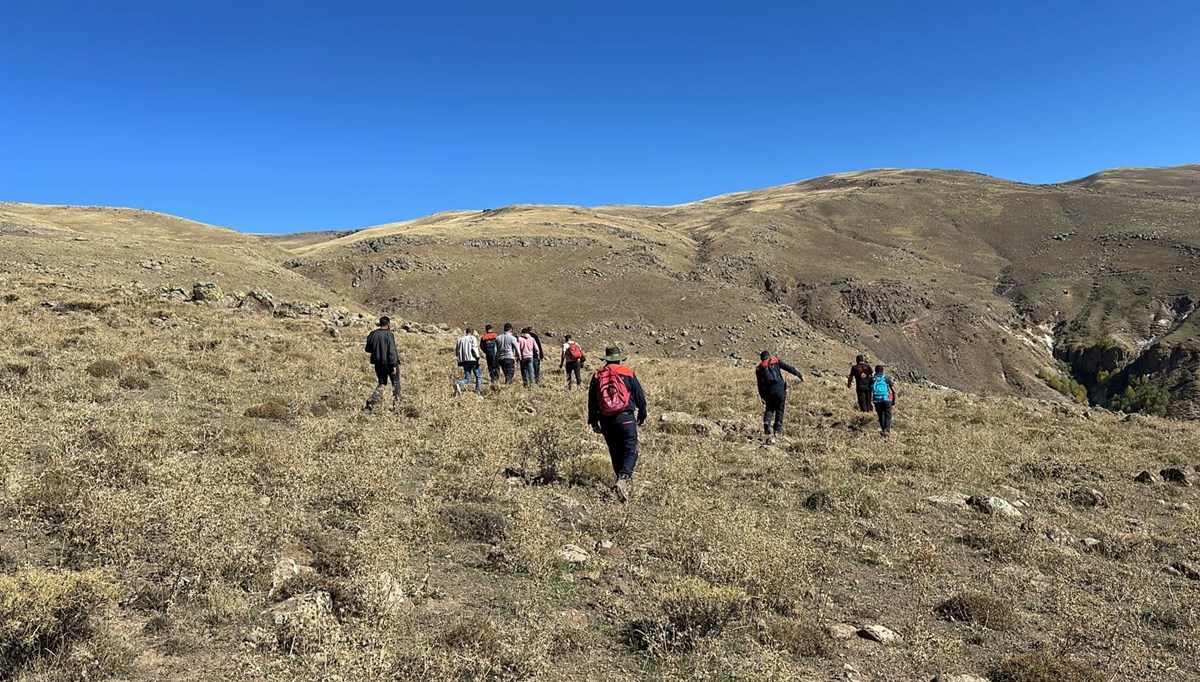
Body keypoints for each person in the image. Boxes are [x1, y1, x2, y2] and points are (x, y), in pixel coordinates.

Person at [588, 346, 647, 503]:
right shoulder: (627, 373)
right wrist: (642, 414)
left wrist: (593, 421)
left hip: (606, 420)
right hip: (626, 418)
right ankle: (624, 478)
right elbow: (640, 396)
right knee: (630, 449)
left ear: (606, 359)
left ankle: (621, 484)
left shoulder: (597, 375)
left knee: (615, 451)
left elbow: (592, 402)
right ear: (620, 359)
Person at [755, 349, 804, 444]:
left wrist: (762, 396)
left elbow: (759, 384)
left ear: (761, 359)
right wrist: (798, 374)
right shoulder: (776, 361)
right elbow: (788, 368)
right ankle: (777, 430)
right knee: (780, 409)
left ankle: (767, 422)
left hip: (768, 393)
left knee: (769, 408)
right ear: (769, 356)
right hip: (780, 390)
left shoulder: (759, 369)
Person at [364, 316, 400, 411]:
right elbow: (392, 351)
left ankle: (372, 401)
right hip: (389, 363)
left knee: (382, 383)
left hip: (378, 363)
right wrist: (393, 365)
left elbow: (367, 349)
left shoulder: (372, 334)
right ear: (388, 324)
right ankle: (397, 405)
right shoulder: (389, 334)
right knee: (395, 383)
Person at [454, 327, 483, 396]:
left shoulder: (459, 340)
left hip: (464, 361)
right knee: (479, 376)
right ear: (472, 332)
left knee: (467, 378)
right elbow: (474, 349)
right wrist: (478, 357)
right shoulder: (472, 338)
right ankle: (478, 392)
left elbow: (456, 352)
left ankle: (459, 384)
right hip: (472, 359)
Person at [872, 364, 898, 437]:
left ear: (875, 370)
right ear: (882, 371)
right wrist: (894, 400)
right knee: (887, 416)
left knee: (880, 416)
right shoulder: (886, 378)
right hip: (887, 399)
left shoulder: (873, 379)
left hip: (877, 400)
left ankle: (883, 430)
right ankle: (887, 431)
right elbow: (893, 390)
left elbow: (869, 390)